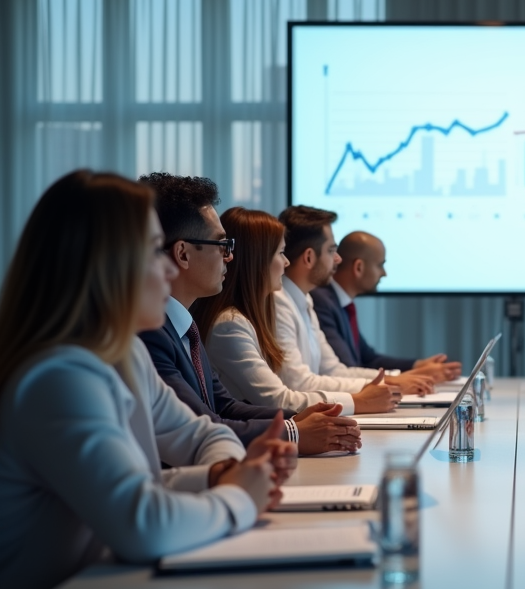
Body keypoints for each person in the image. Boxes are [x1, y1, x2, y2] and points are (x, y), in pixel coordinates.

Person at [0, 171, 285, 589]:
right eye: (153, 250)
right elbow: (141, 524)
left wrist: (226, 471)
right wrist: (239, 498)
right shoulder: (57, 378)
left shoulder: (122, 351)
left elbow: (199, 433)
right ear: (103, 263)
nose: (169, 267)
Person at [137, 174, 362, 456]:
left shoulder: (185, 324)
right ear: (183, 254)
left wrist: (295, 418)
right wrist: (294, 431)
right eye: (222, 245)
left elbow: (223, 404)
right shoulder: (153, 334)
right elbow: (204, 424)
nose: (229, 256)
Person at [193, 207, 397, 415]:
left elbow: (329, 370)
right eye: (281, 253)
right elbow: (279, 398)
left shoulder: (270, 310)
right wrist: (359, 400)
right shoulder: (230, 324)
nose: (287, 262)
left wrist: (382, 386)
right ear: (258, 261)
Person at [276, 207, 434, 398]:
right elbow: (299, 383)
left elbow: (334, 371)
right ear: (309, 257)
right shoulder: (280, 303)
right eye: (331, 250)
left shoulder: (305, 299)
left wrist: (393, 380)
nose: (338, 259)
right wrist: (390, 384)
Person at [311, 230, 462, 384]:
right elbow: (346, 368)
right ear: (359, 267)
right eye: (380, 265)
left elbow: (369, 359)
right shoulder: (322, 301)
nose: (384, 274)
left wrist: (418, 365)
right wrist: (408, 377)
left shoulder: (338, 302)